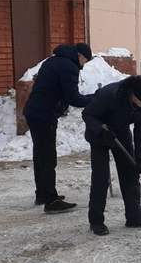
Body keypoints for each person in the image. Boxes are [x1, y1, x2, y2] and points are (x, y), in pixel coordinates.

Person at [82, 76, 141, 236]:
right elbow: (88, 114)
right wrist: (101, 129)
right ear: (134, 96)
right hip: (99, 134)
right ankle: (96, 221)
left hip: (121, 134)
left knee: (131, 175)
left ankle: (134, 217)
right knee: (101, 178)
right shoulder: (109, 94)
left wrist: (140, 158)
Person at [23, 43, 93, 214]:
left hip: (33, 111)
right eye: (85, 60)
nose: (83, 65)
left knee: (40, 155)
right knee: (47, 157)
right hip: (44, 114)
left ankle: (42, 194)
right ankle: (51, 201)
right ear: (79, 55)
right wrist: (93, 98)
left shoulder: (53, 61)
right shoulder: (69, 67)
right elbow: (74, 98)